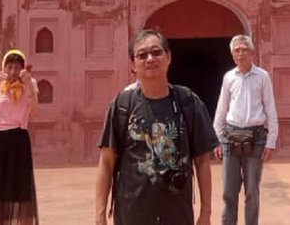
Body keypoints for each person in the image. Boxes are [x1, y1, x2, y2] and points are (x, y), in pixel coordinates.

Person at [94, 29, 219, 225]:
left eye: (156, 52)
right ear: (133, 65)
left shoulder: (188, 102)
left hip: (177, 214)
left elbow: (202, 161)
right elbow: (107, 163)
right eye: (142, 55)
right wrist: (100, 214)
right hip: (132, 214)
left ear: (168, 57)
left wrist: (206, 213)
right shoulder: (121, 106)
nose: (150, 59)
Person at [212, 34, 279, 225]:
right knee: (228, 191)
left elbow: (270, 108)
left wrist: (271, 141)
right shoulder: (229, 77)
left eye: (244, 49)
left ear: (252, 52)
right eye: (236, 50)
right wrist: (217, 138)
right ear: (232, 54)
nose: (240, 53)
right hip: (231, 136)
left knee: (252, 192)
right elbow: (221, 108)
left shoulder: (262, 77)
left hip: (256, 136)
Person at [0, 49, 39, 224]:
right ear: (4, 68)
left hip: (19, 140)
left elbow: (34, 110)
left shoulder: (31, 83)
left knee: (22, 190)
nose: (13, 72)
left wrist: (28, 86)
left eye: (17, 68)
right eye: (9, 67)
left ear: (23, 68)